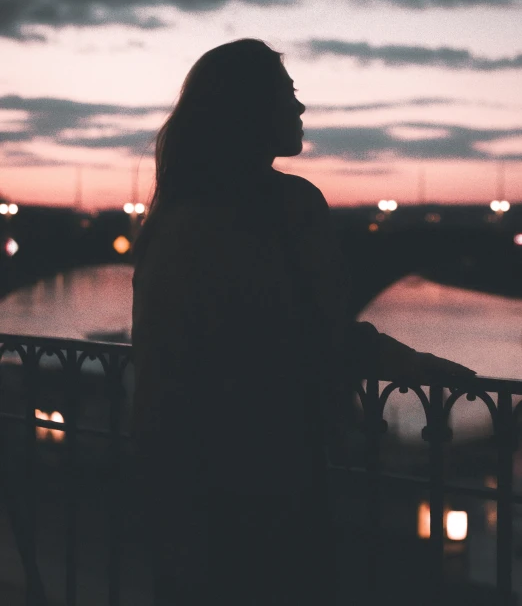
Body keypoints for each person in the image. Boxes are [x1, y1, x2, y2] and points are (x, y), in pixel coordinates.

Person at [131, 38, 475, 605]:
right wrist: (414, 365)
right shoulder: (285, 205)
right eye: (288, 95)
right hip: (271, 474)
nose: (300, 109)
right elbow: (316, 333)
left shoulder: (175, 213)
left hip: (182, 478)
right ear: (251, 110)